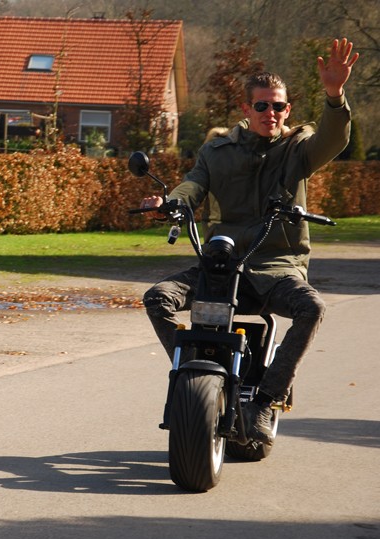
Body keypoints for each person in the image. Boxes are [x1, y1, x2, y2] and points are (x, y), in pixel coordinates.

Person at [140, 38, 359, 445]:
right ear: (246, 109)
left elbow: (334, 139)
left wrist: (334, 94)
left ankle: (265, 399)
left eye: (278, 106)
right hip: (221, 266)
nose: (270, 113)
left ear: (287, 110)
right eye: (262, 105)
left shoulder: (299, 150)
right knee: (158, 297)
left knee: (311, 307)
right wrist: (169, 204)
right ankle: (193, 368)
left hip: (277, 267)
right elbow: (193, 186)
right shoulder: (217, 151)